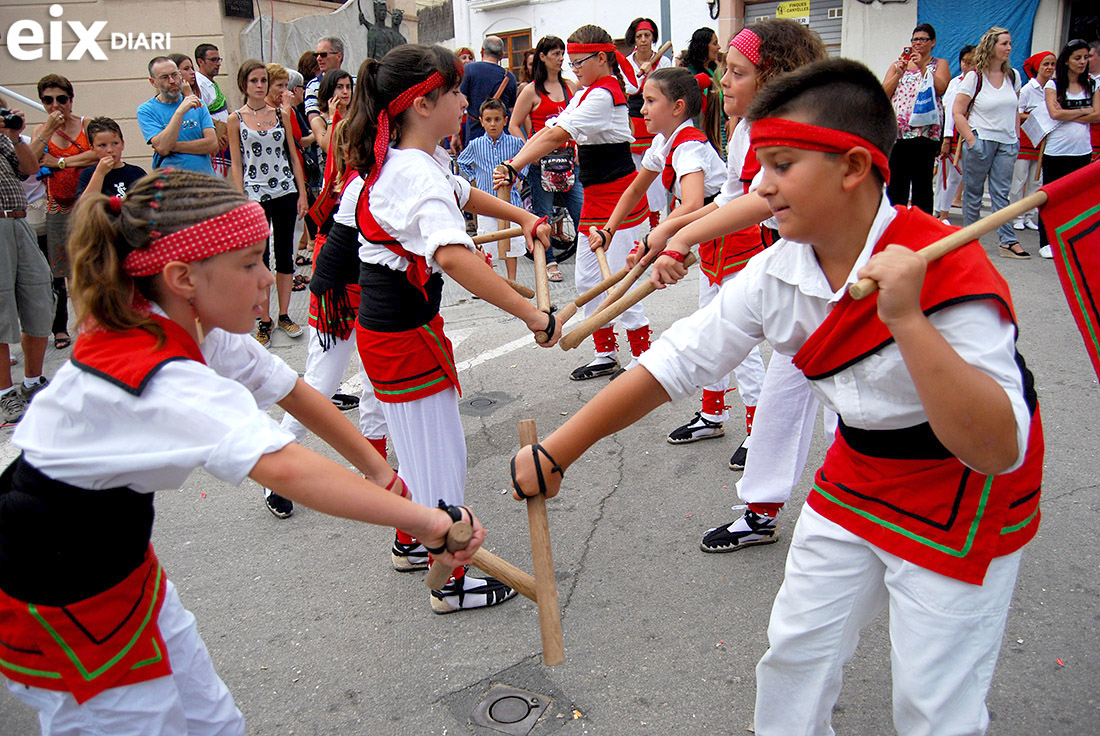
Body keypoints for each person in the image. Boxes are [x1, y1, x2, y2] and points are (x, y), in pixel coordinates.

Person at [509, 57, 1043, 735]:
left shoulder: (947, 266)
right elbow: (677, 361)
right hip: (858, 470)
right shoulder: (777, 270)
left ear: (854, 167)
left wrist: (908, 319)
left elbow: (996, 447)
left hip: (963, 489)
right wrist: (559, 453)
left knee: (933, 702)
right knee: (795, 656)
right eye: (760, 164)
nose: (760, 186)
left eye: (783, 165)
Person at [0, 168, 485, 732]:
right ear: (183, 277)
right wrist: (426, 520)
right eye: (250, 263)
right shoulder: (156, 372)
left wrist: (382, 474)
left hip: (116, 556)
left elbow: (294, 392)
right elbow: (286, 468)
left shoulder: (192, 327)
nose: (269, 278)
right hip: (59, 592)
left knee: (213, 720)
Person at [340, 45, 558, 612]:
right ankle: (452, 581)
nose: (467, 102)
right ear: (421, 103)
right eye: (457, 93)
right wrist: (532, 313)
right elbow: (455, 257)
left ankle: (413, 539)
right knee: (439, 457)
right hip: (403, 334)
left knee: (417, 449)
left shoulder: (416, 159)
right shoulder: (414, 171)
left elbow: (465, 193)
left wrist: (523, 216)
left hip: (394, 329)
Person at [637, 19, 829, 548]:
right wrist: (675, 231)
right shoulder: (747, 129)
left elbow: (760, 202)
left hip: (833, 284)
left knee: (842, 415)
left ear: (774, 79)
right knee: (781, 404)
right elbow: (730, 200)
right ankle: (761, 511)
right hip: (795, 275)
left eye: (737, 72)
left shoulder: (801, 127)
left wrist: (679, 238)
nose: (723, 81)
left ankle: (860, 515)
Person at [495, 24, 652, 381]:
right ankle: (606, 352)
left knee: (619, 283)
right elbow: (550, 132)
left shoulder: (604, 94)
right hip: (596, 200)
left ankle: (643, 358)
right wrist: (512, 167)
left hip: (619, 202)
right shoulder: (586, 93)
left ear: (601, 57)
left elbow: (555, 134)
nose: (573, 68)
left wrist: (514, 166)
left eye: (580, 61)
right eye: (572, 62)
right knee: (587, 279)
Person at [228, 59, 309, 346]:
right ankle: (264, 319)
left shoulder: (280, 114)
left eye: (264, 80)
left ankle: (284, 314)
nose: (260, 86)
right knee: (260, 258)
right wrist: (240, 201)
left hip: (285, 189)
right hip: (254, 194)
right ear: (244, 85)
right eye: (254, 81)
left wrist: (302, 192)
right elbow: (237, 164)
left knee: (285, 254)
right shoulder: (235, 119)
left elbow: (293, 155)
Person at [27, 74, 96, 352]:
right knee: (61, 272)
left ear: (71, 99)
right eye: (48, 100)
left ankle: (92, 323)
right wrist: (46, 134)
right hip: (56, 206)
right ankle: (65, 328)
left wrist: (59, 161)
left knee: (89, 266)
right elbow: (30, 163)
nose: (56, 105)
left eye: (61, 99)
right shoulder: (39, 130)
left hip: (85, 203)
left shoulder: (85, 125)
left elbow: (95, 154)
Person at [508, 35, 580, 281]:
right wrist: (530, 153)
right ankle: (549, 262)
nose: (561, 58)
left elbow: (581, 122)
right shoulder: (530, 91)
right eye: (555, 53)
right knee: (543, 214)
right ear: (542, 56)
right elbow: (514, 125)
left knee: (581, 210)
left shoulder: (571, 86)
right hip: (543, 166)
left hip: (570, 162)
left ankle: (587, 257)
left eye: (562, 53)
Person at [0, 99, 54, 425]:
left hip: (19, 221)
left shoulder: (6, 139)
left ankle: (32, 383)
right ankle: (5, 395)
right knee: (0, 312)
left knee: (39, 297)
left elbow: (31, 168)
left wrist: (17, 136)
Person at [953, 27, 1024, 258]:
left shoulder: (1013, 75)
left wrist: (1016, 138)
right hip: (982, 140)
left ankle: (1008, 241)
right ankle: (970, 239)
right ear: (991, 46)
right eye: (1004, 43)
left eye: (1010, 43)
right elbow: (958, 111)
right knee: (973, 193)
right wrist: (972, 140)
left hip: (1007, 142)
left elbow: (1015, 109)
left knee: (1002, 193)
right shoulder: (975, 77)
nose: (1009, 48)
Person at [1038, 39, 1099, 259]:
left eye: (1085, 57)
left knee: (1077, 200)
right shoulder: (1053, 85)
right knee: (1051, 197)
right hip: (1056, 151)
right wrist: (1085, 110)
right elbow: (1055, 114)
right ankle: (1046, 241)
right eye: (1077, 58)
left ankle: (1073, 241)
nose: (1082, 62)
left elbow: (1098, 115)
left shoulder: (1092, 85)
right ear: (1066, 60)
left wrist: (1068, 112)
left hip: (1082, 150)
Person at [882, 23, 950, 214]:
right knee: (896, 184)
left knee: (922, 184)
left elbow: (941, 88)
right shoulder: (898, 64)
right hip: (899, 133)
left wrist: (922, 67)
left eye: (923, 39)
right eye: (915, 39)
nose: (918, 43)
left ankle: (922, 226)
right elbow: (884, 92)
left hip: (925, 133)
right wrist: (898, 73)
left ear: (932, 42)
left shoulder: (938, 64)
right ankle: (895, 223)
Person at [458, 99, 528, 281]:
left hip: (511, 201)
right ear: (481, 121)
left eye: (497, 119)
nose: (493, 124)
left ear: (505, 120)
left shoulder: (515, 143)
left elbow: (525, 162)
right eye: (488, 120)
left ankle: (512, 280)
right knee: (487, 241)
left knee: (511, 242)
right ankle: (490, 280)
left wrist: (517, 177)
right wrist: (474, 178)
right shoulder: (475, 144)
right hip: (486, 202)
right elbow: (462, 161)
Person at [624, 17, 673, 229]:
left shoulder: (663, 62)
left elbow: (665, 89)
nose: (643, 40)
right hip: (635, 119)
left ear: (653, 38)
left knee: (658, 168)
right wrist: (640, 74)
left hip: (657, 120)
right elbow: (631, 89)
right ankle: (634, 219)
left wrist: (652, 74)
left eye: (647, 35)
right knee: (636, 172)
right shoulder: (626, 62)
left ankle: (656, 222)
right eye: (639, 36)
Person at [137, 57, 218, 177]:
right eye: (164, 77)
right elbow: (163, 147)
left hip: (205, 182)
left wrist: (173, 146)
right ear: (153, 82)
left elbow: (212, 144)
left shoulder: (197, 104)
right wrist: (180, 112)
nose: (172, 81)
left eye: (174, 75)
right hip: (172, 185)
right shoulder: (146, 110)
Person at [1009, 51, 1056, 232]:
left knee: (1036, 181)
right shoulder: (1028, 89)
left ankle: (1029, 215)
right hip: (1026, 139)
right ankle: (1016, 215)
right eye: (1046, 64)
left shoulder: (1053, 88)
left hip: (1043, 140)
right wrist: (1038, 117)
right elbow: (1017, 113)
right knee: (1019, 180)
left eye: (1052, 64)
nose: (1049, 68)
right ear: (1037, 67)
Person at [935, 45, 976, 222]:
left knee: (962, 176)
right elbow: (951, 109)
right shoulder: (956, 82)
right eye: (964, 62)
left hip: (974, 132)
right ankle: (941, 212)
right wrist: (947, 137)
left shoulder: (981, 81)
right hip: (954, 133)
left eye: (971, 62)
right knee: (949, 174)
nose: (967, 66)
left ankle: (942, 208)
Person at [460, 36, 518, 142]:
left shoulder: (469, 70)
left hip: (475, 136)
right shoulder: (510, 77)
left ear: (482, 51)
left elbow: (460, 104)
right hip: (502, 138)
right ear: (502, 56)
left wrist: (455, 135)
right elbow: (512, 111)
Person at [75, 117, 147, 203]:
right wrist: (99, 174)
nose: (110, 150)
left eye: (115, 144)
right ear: (93, 149)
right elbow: (83, 206)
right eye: (102, 145)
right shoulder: (88, 174)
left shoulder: (136, 172)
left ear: (122, 144)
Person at [194, 43, 231, 176]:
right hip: (216, 143)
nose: (218, 64)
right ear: (200, 61)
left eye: (219, 59)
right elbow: (201, 114)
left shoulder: (210, 83)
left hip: (225, 140)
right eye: (213, 60)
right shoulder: (199, 84)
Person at [309, 69, 353, 160]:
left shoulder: (355, 115)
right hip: (330, 170)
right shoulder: (318, 121)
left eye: (348, 87)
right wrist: (332, 118)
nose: (345, 91)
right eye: (340, 87)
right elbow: (327, 148)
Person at [304, 36, 349, 124]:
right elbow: (315, 122)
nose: (318, 59)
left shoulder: (355, 83)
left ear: (339, 56)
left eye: (323, 55)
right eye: (316, 55)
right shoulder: (313, 86)